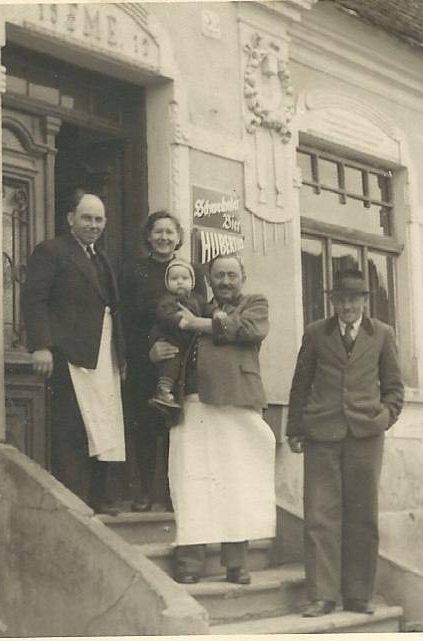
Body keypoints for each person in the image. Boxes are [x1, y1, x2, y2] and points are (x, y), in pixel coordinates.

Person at [286, 268, 404, 617]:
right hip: (322, 434)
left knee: (362, 516)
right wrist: (295, 428)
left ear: (365, 302)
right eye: (341, 299)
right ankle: (322, 595)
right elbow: (300, 384)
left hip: (366, 436)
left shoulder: (381, 335)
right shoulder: (316, 334)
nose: (348, 305)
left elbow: (394, 388)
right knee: (320, 516)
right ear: (333, 301)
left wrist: (384, 417)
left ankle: (357, 595)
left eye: (355, 299)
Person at [161, 253, 276, 585]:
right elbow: (169, 333)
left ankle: (236, 563)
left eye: (232, 275)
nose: (226, 281)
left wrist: (200, 325)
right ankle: (190, 561)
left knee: (235, 482)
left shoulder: (255, 304)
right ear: (208, 280)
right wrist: (155, 347)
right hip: (194, 402)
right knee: (191, 480)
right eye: (219, 276)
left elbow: (249, 329)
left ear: (243, 277)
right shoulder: (195, 305)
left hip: (237, 402)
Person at [21, 192, 125, 516]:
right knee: (74, 428)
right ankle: (76, 500)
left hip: (101, 355)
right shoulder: (52, 251)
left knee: (104, 426)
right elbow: (34, 299)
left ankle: (99, 497)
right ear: (71, 219)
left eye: (99, 220)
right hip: (70, 354)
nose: (93, 225)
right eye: (87, 218)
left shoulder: (102, 259)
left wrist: (120, 355)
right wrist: (41, 345)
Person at [119, 211, 207, 512]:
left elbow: (200, 315)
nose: (164, 238)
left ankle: (173, 493)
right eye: (158, 232)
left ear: (178, 237)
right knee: (144, 425)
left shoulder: (192, 271)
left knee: (177, 426)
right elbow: (126, 319)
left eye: (170, 232)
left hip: (181, 359)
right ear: (148, 235)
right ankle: (143, 491)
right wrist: (147, 350)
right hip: (148, 359)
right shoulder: (134, 271)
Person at [147, 258, 210, 415]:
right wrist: (178, 320)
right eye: (174, 279)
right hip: (172, 337)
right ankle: (163, 390)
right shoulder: (168, 300)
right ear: (167, 283)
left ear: (192, 282)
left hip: (188, 343)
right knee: (172, 361)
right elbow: (164, 314)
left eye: (184, 278)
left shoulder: (198, 300)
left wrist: (216, 315)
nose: (180, 282)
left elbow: (208, 311)